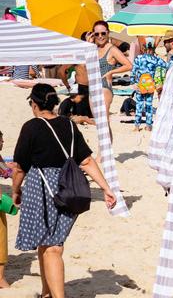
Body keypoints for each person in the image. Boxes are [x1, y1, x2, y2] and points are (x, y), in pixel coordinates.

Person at [11, 84, 117, 298]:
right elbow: (86, 160)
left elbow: (20, 167)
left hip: (41, 187)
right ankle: (46, 292)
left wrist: (15, 191)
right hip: (68, 186)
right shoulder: (68, 125)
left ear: (34, 104)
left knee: (52, 246)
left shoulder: (31, 127)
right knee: (49, 242)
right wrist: (106, 188)